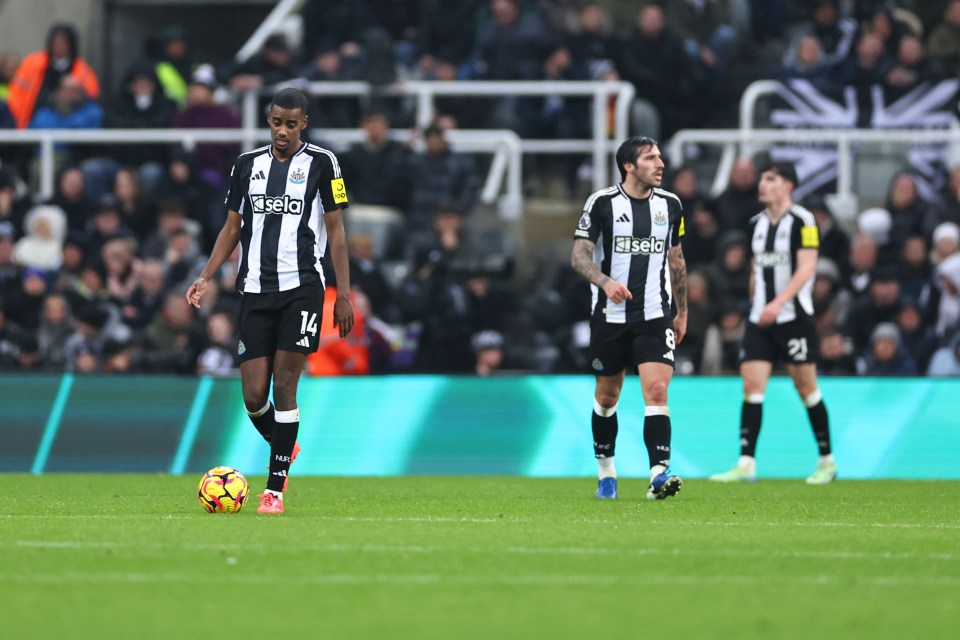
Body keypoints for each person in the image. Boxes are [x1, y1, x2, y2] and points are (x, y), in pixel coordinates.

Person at [186, 88, 354, 515]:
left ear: (304, 124)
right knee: (253, 394)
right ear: (269, 120)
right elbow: (231, 229)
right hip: (256, 290)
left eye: (291, 124)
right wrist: (205, 276)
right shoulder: (247, 166)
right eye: (277, 122)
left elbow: (336, 232)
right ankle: (284, 444)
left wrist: (344, 294)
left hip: (303, 288)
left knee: (285, 383)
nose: (283, 131)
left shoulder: (323, 164)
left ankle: (274, 490)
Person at [570, 136, 687, 501]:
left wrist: (681, 311)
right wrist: (605, 283)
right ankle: (606, 472)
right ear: (629, 166)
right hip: (610, 316)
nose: (660, 163)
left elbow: (677, 260)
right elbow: (579, 257)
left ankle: (657, 476)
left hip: (655, 314)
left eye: (660, 156)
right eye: (650, 158)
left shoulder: (671, 205)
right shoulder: (602, 203)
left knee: (656, 391)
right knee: (607, 396)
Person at [710, 162, 836, 485]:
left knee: (806, 387)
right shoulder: (757, 224)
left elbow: (806, 268)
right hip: (760, 319)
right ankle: (746, 463)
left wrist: (779, 302)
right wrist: (757, 301)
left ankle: (827, 461)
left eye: (771, 179)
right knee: (752, 387)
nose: (762, 184)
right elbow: (756, 268)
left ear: (788, 186)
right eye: (762, 178)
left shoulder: (804, 221)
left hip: (793, 318)